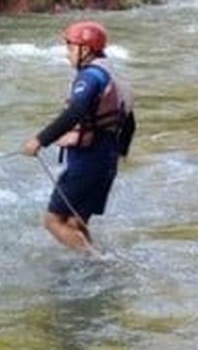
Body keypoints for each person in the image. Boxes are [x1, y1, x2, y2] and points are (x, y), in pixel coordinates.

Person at [21, 20, 131, 253]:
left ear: (86, 50)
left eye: (71, 48)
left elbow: (76, 111)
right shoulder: (112, 75)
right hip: (106, 158)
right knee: (74, 222)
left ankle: (97, 263)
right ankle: (93, 264)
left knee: (53, 221)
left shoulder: (90, 77)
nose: (67, 54)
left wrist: (40, 140)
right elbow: (130, 123)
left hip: (89, 159)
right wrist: (120, 152)